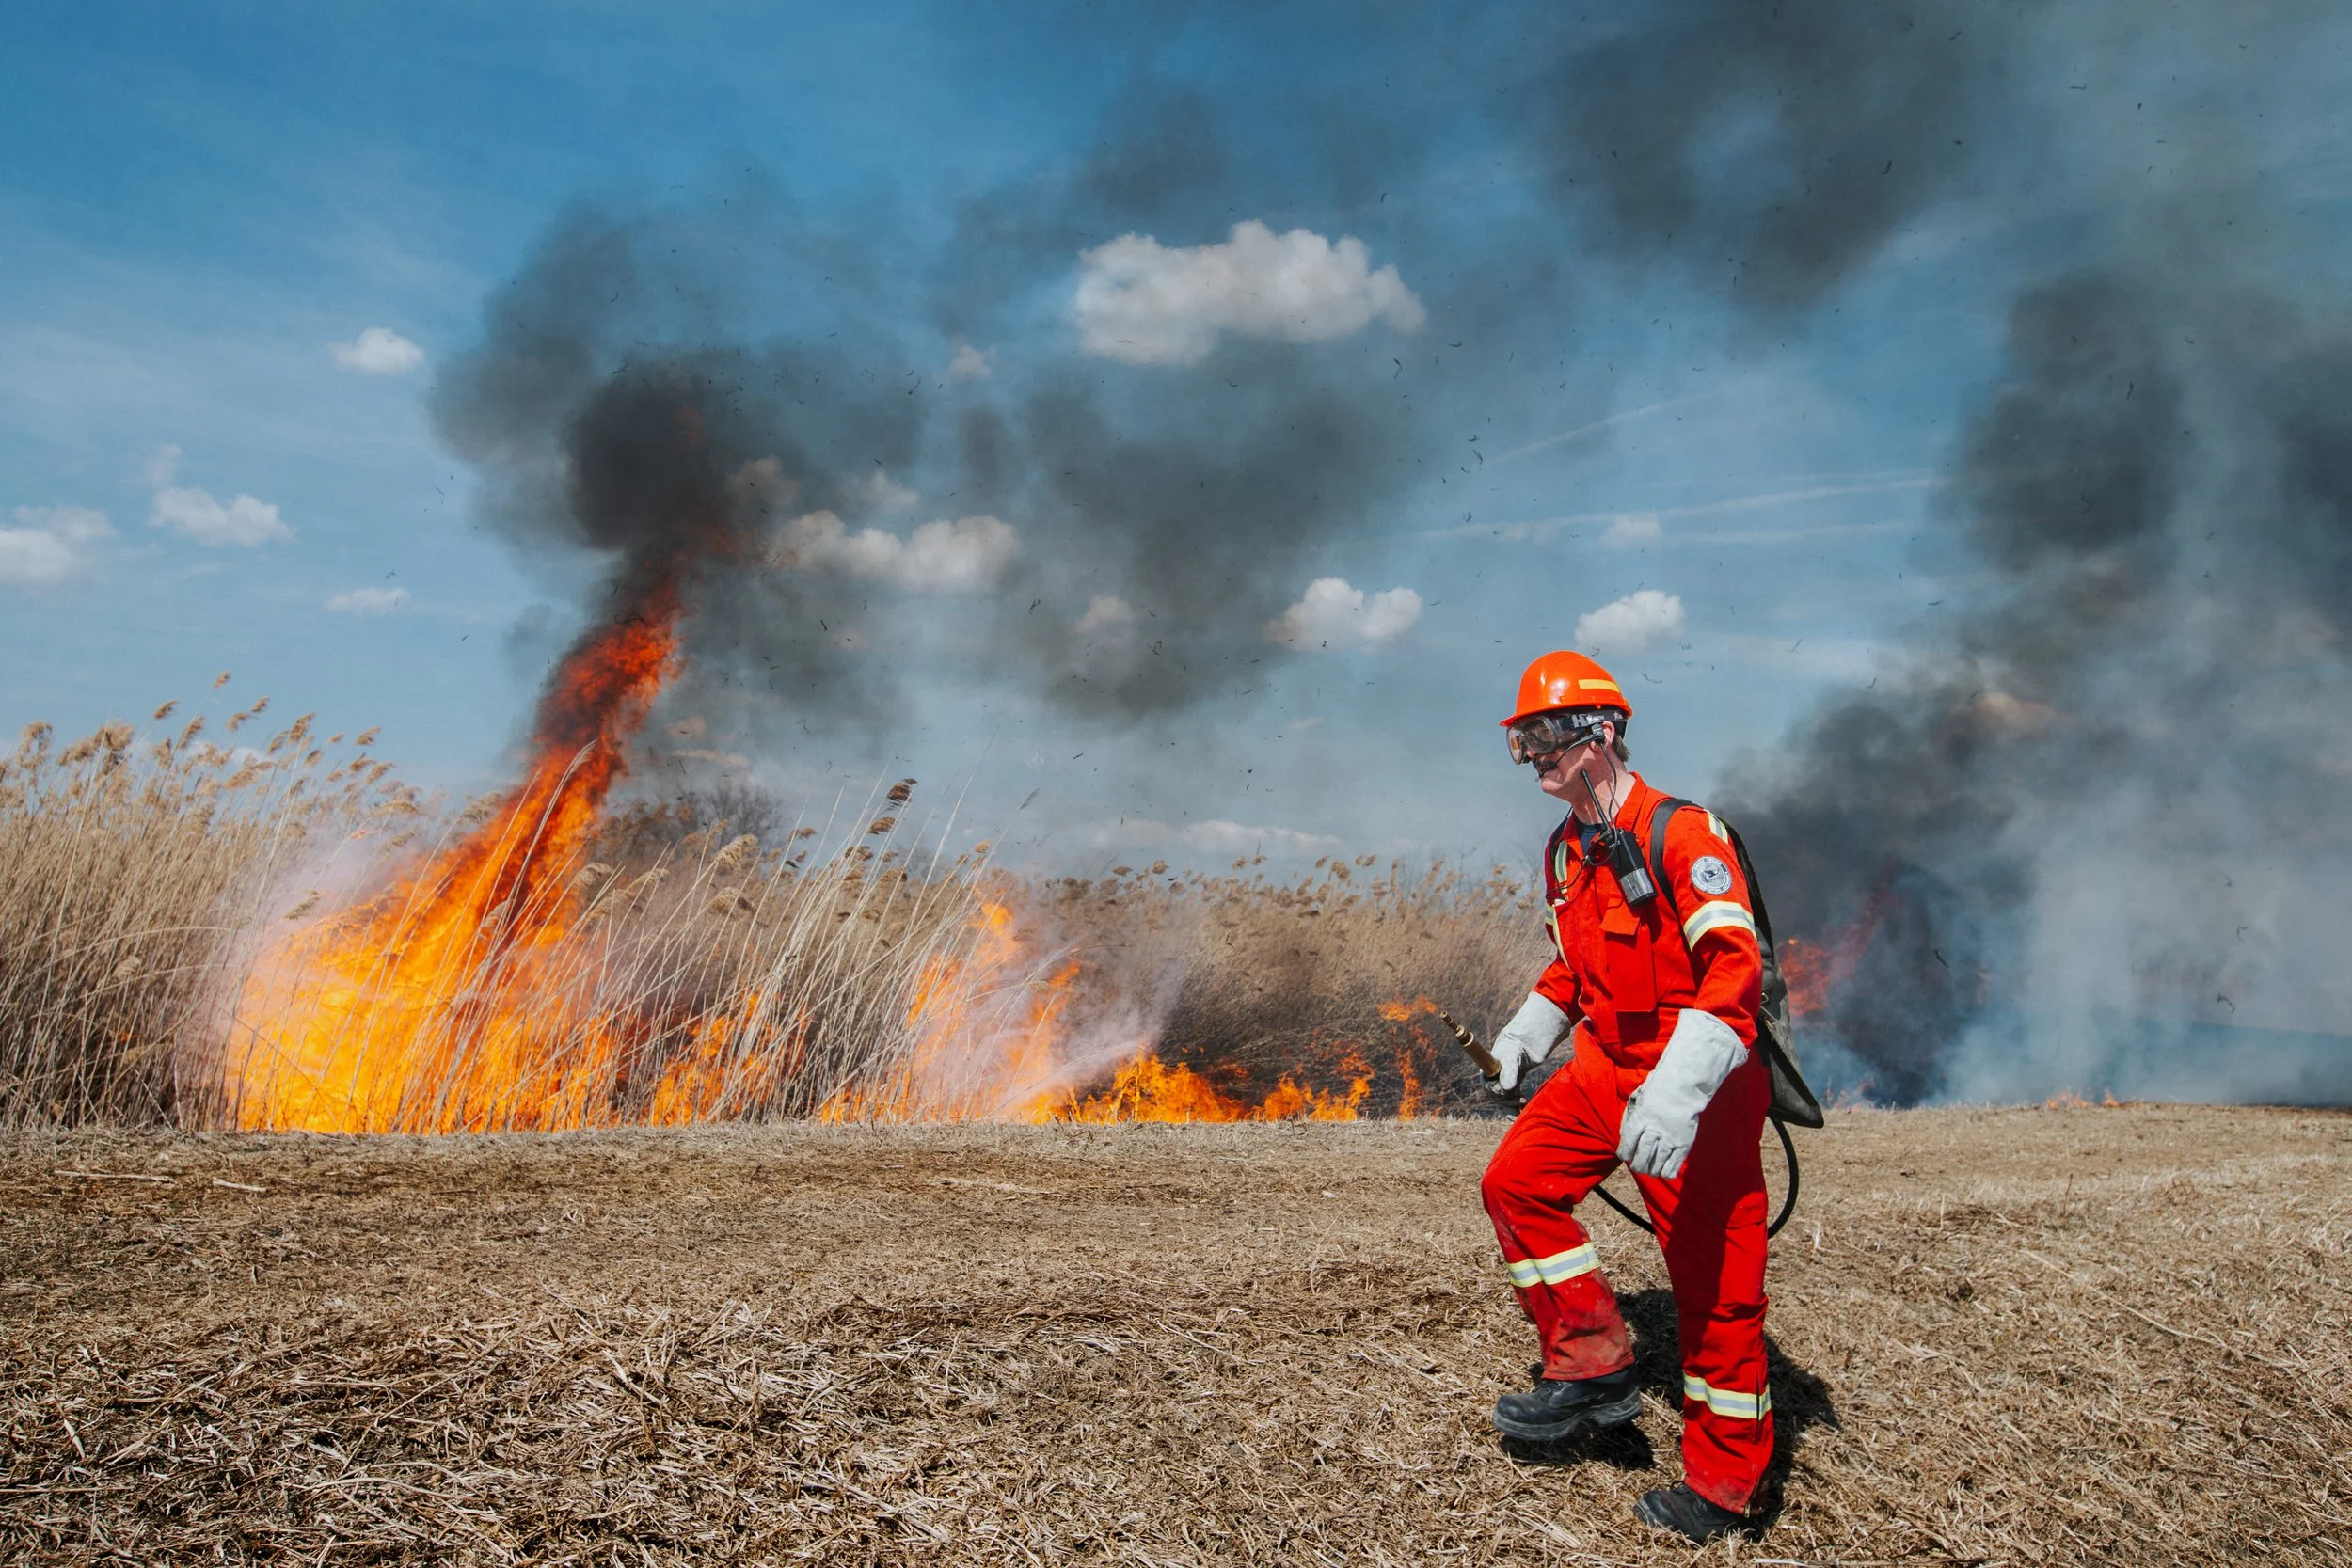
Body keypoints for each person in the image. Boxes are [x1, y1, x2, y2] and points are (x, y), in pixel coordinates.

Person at [1478, 650, 1774, 1544]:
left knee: (1716, 1292)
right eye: (1522, 739)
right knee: (1516, 1184)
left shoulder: (1685, 833)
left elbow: (1735, 975)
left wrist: (1678, 1095)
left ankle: (1724, 1490)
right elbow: (1575, 966)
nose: (1532, 754)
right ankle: (1594, 1365)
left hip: (1699, 1090)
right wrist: (1530, 1028)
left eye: (1545, 734)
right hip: (1604, 1070)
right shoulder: (1566, 849)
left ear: (1601, 734)